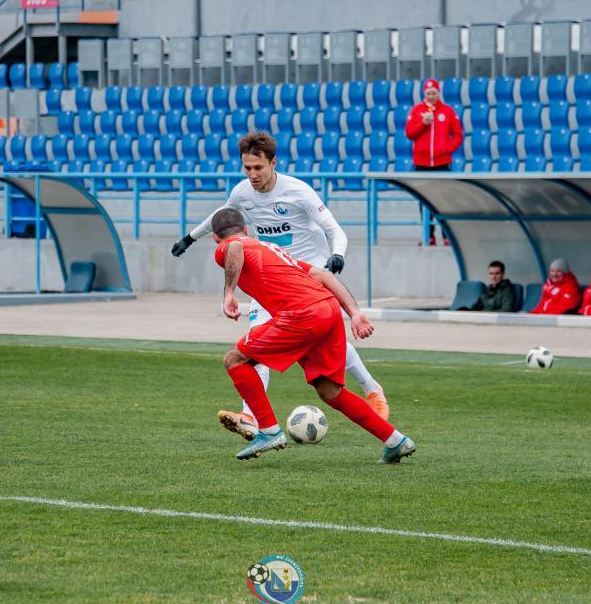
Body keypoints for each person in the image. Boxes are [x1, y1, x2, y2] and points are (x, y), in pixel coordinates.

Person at [170, 130, 390, 441]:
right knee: (256, 341)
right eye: (247, 168)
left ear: (273, 163)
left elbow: (334, 229)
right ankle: (249, 415)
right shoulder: (242, 192)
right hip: (272, 276)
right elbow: (222, 217)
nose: (252, 175)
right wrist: (190, 238)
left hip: (308, 274)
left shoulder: (299, 191)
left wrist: (337, 254)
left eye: (258, 167)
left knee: (318, 344)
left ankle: (371, 388)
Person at [211, 207, 416, 464]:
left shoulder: (229, 246)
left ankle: (269, 431)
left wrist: (229, 293)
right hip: (328, 308)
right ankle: (396, 441)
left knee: (235, 359)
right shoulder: (272, 249)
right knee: (330, 390)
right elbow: (323, 275)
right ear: (246, 229)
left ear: (215, 237)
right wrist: (355, 313)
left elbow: (234, 248)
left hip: (301, 313)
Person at [404, 78, 463, 245]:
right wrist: (423, 124)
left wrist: (447, 148)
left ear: (438, 93)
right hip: (422, 164)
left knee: (445, 200)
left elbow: (458, 134)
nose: (431, 96)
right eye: (428, 93)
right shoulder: (417, 110)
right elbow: (409, 133)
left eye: (434, 93)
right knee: (423, 201)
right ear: (424, 94)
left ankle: (446, 236)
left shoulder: (448, 111)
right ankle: (428, 235)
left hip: (442, 163)